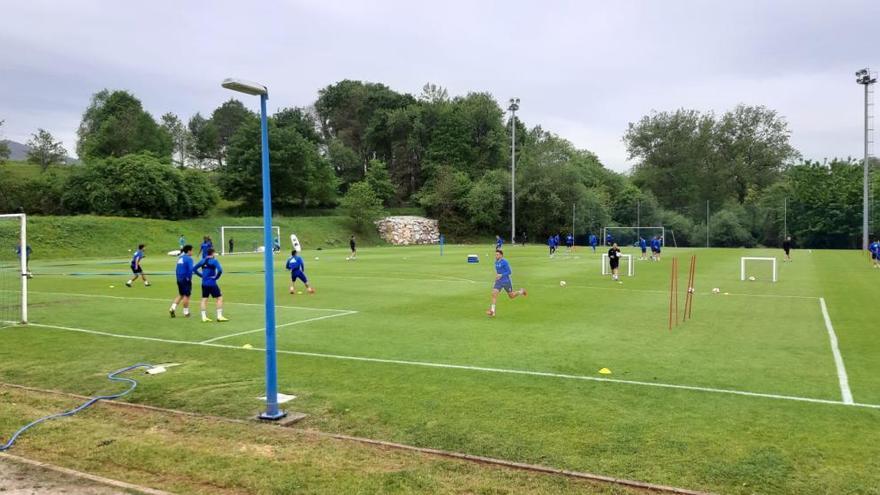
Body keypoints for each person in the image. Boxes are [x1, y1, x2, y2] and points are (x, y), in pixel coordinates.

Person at [487, 249, 526, 317]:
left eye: (497, 254)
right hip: (499, 281)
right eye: (495, 254)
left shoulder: (505, 262)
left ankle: (521, 292)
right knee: (494, 294)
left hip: (506, 281)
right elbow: (498, 271)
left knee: (511, 296)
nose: (496, 256)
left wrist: (501, 275)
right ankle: (492, 311)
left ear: (501, 255)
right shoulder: (496, 262)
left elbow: (509, 272)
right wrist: (497, 276)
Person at [193, 248, 227, 322]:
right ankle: (219, 316)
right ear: (213, 253)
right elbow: (220, 270)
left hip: (204, 283)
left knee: (204, 299)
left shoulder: (202, 260)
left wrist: (201, 276)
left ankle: (204, 317)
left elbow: (194, 269)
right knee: (219, 298)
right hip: (212, 283)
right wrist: (216, 277)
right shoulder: (214, 261)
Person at [169, 245, 194, 318]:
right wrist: (188, 278)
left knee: (181, 294)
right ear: (188, 251)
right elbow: (190, 270)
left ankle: (172, 308)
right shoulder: (189, 259)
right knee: (187, 295)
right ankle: (186, 312)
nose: (192, 252)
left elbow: (177, 269)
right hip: (185, 279)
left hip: (179, 278)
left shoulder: (180, 258)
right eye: (192, 250)